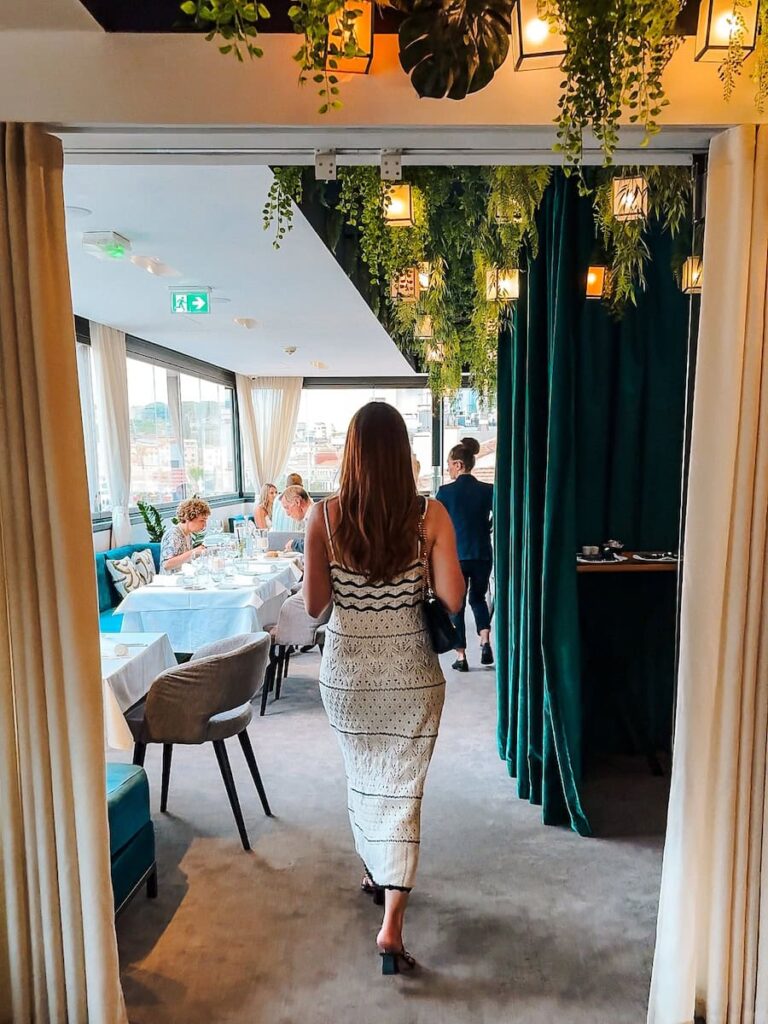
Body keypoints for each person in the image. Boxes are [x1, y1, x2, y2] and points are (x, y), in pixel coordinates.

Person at [303, 402, 464, 974]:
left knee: (367, 780)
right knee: (403, 794)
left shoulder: (322, 516)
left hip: (347, 678)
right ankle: (391, 925)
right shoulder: (431, 516)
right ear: (403, 454)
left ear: (350, 452)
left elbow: (315, 605)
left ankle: (376, 870)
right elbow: (453, 600)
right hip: (410, 677)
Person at [435, 437, 494, 671]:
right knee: (478, 599)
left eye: (450, 464)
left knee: (456, 604)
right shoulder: (488, 491)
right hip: (482, 554)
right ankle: (485, 641)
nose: (448, 469)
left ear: (459, 464)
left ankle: (461, 657)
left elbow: (438, 524)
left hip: (457, 556)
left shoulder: (445, 493)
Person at [160, 497, 211, 572]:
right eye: (202, 520)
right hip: (171, 581)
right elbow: (166, 565)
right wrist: (194, 552)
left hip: (185, 578)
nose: (205, 525)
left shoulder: (187, 533)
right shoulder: (173, 535)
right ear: (188, 518)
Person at [279, 485, 312, 552]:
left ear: (297, 502)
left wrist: (294, 544)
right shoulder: (310, 516)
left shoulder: (315, 517)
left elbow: (312, 546)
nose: (287, 514)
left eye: (287, 507)